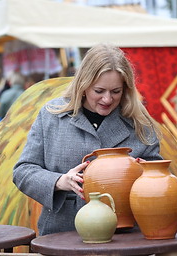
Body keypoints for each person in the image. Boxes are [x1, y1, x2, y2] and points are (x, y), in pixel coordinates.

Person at [13, 43, 163, 236]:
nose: (107, 99)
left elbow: (157, 171)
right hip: (62, 233)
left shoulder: (139, 121)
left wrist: (141, 174)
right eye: (99, 91)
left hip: (126, 237)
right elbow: (23, 171)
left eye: (116, 91)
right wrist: (59, 181)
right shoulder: (51, 115)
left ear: (126, 89)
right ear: (83, 85)